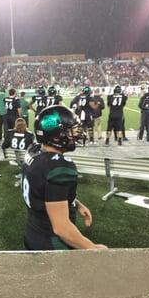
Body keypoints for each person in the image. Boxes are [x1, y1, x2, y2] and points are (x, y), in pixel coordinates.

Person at [21, 105, 107, 251]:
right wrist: (92, 248)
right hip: (52, 244)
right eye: (71, 131)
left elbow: (45, 190)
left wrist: (76, 203)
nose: (76, 135)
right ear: (56, 135)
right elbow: (61, 228)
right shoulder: (59, 166)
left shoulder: (34, 150)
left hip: (33, 231)